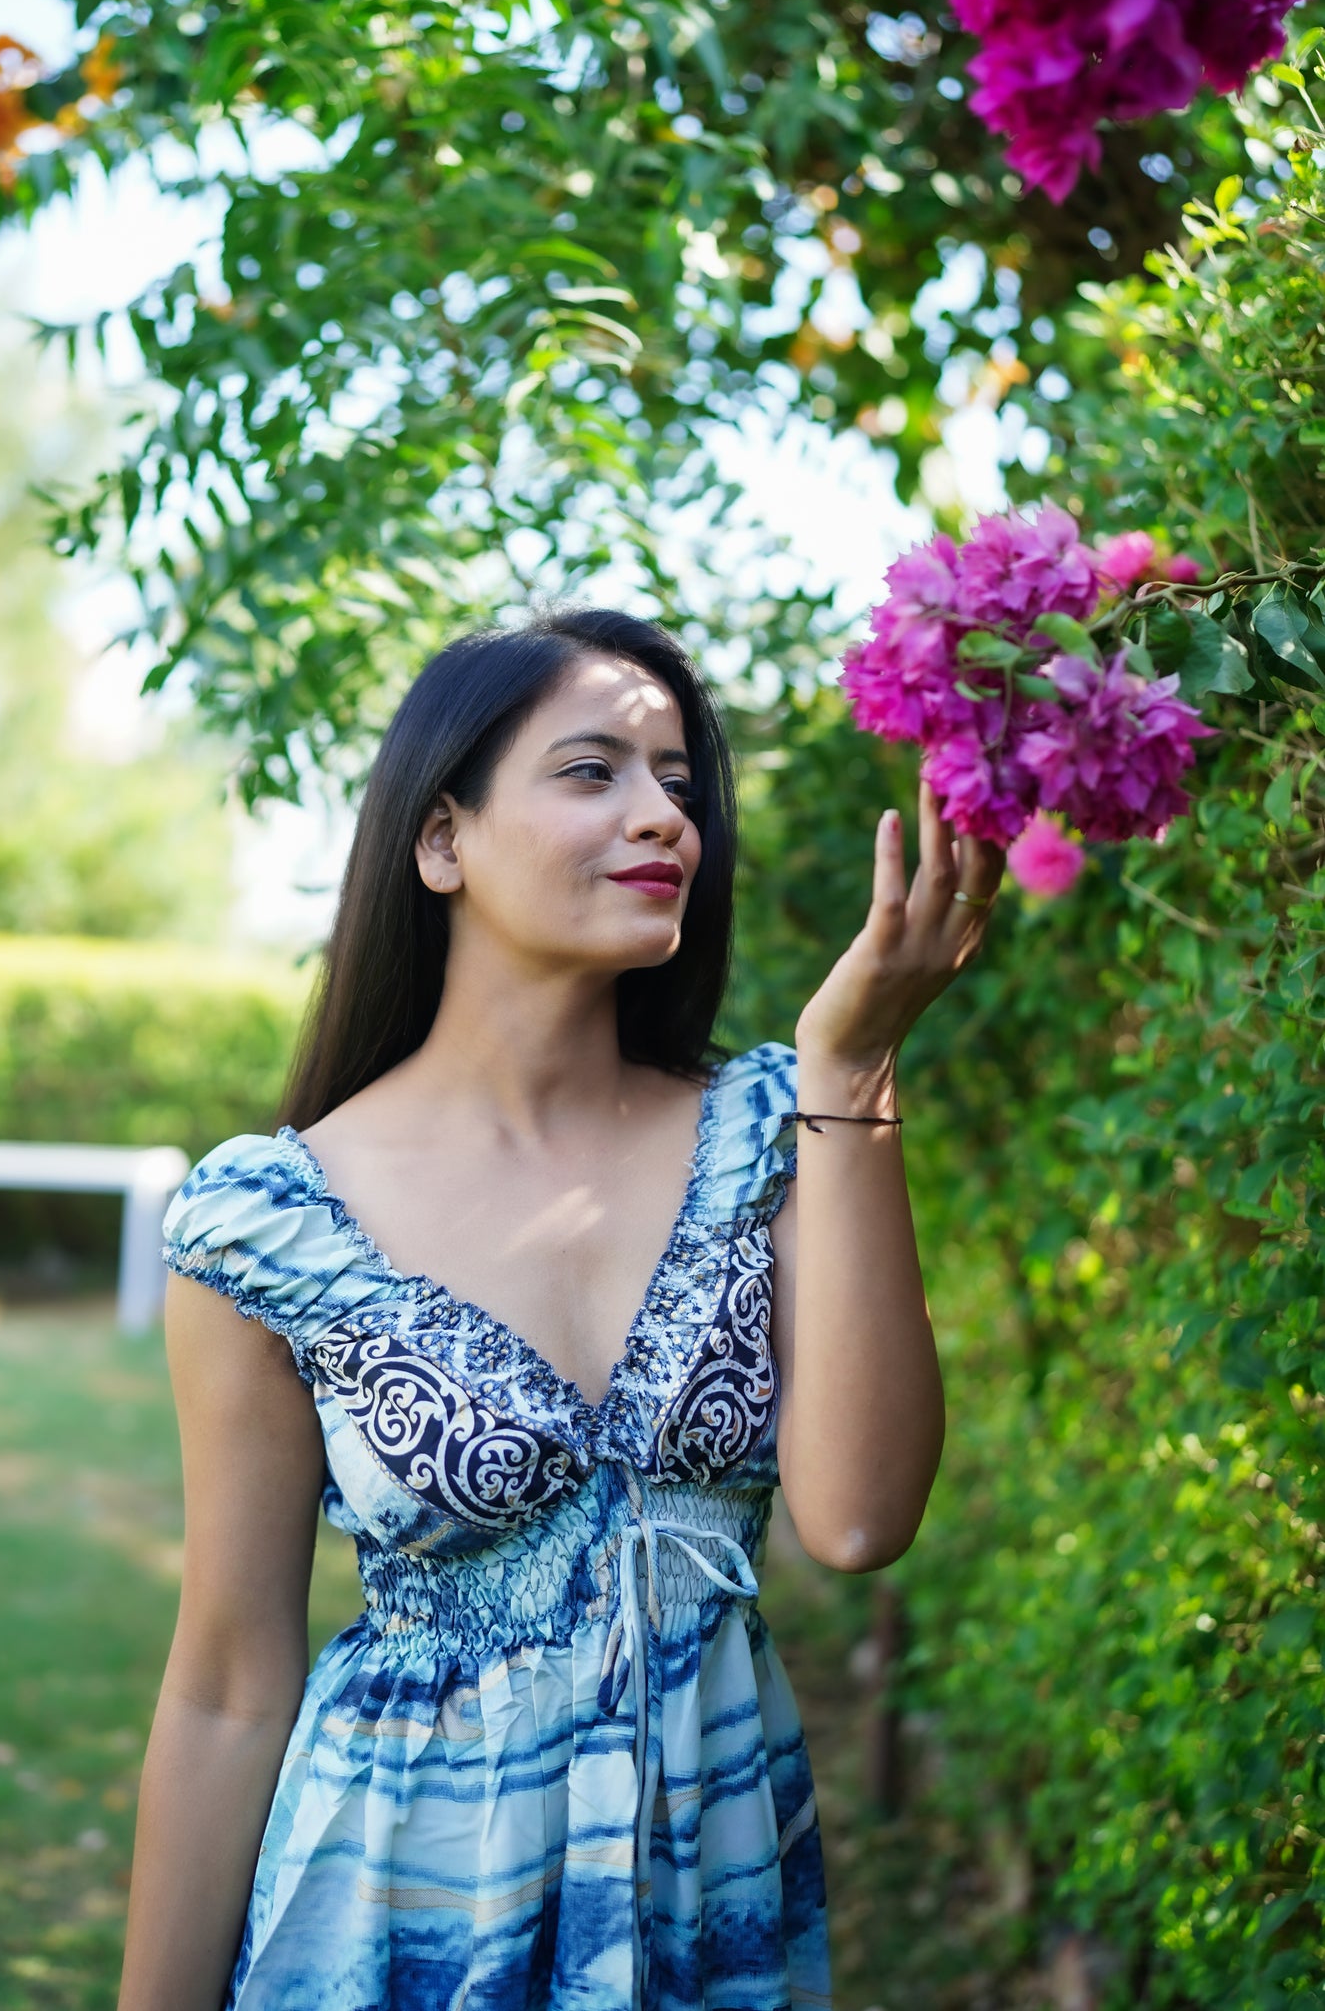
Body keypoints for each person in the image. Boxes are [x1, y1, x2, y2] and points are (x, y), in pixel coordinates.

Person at [117, 607, 1002, 2011]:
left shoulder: (778, 1127)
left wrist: (853, 1069)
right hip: (386, 1922)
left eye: (676, 781)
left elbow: (855, 1520)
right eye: (593, 771)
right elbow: (228, 1681)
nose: (663, 816)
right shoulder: (268, 1224)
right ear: (441, 839)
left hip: (702, 1919)